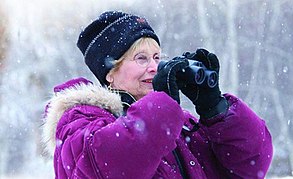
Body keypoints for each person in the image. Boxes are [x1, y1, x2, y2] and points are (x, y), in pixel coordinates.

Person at [42, 11, 273, 179]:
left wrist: (215, 108)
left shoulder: (180, 126)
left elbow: (251, 167)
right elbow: (110, 167)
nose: (154, 67)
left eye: (156, 57)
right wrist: (163, 105)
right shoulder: (79, 121)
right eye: (141, 58)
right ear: (110, 73)